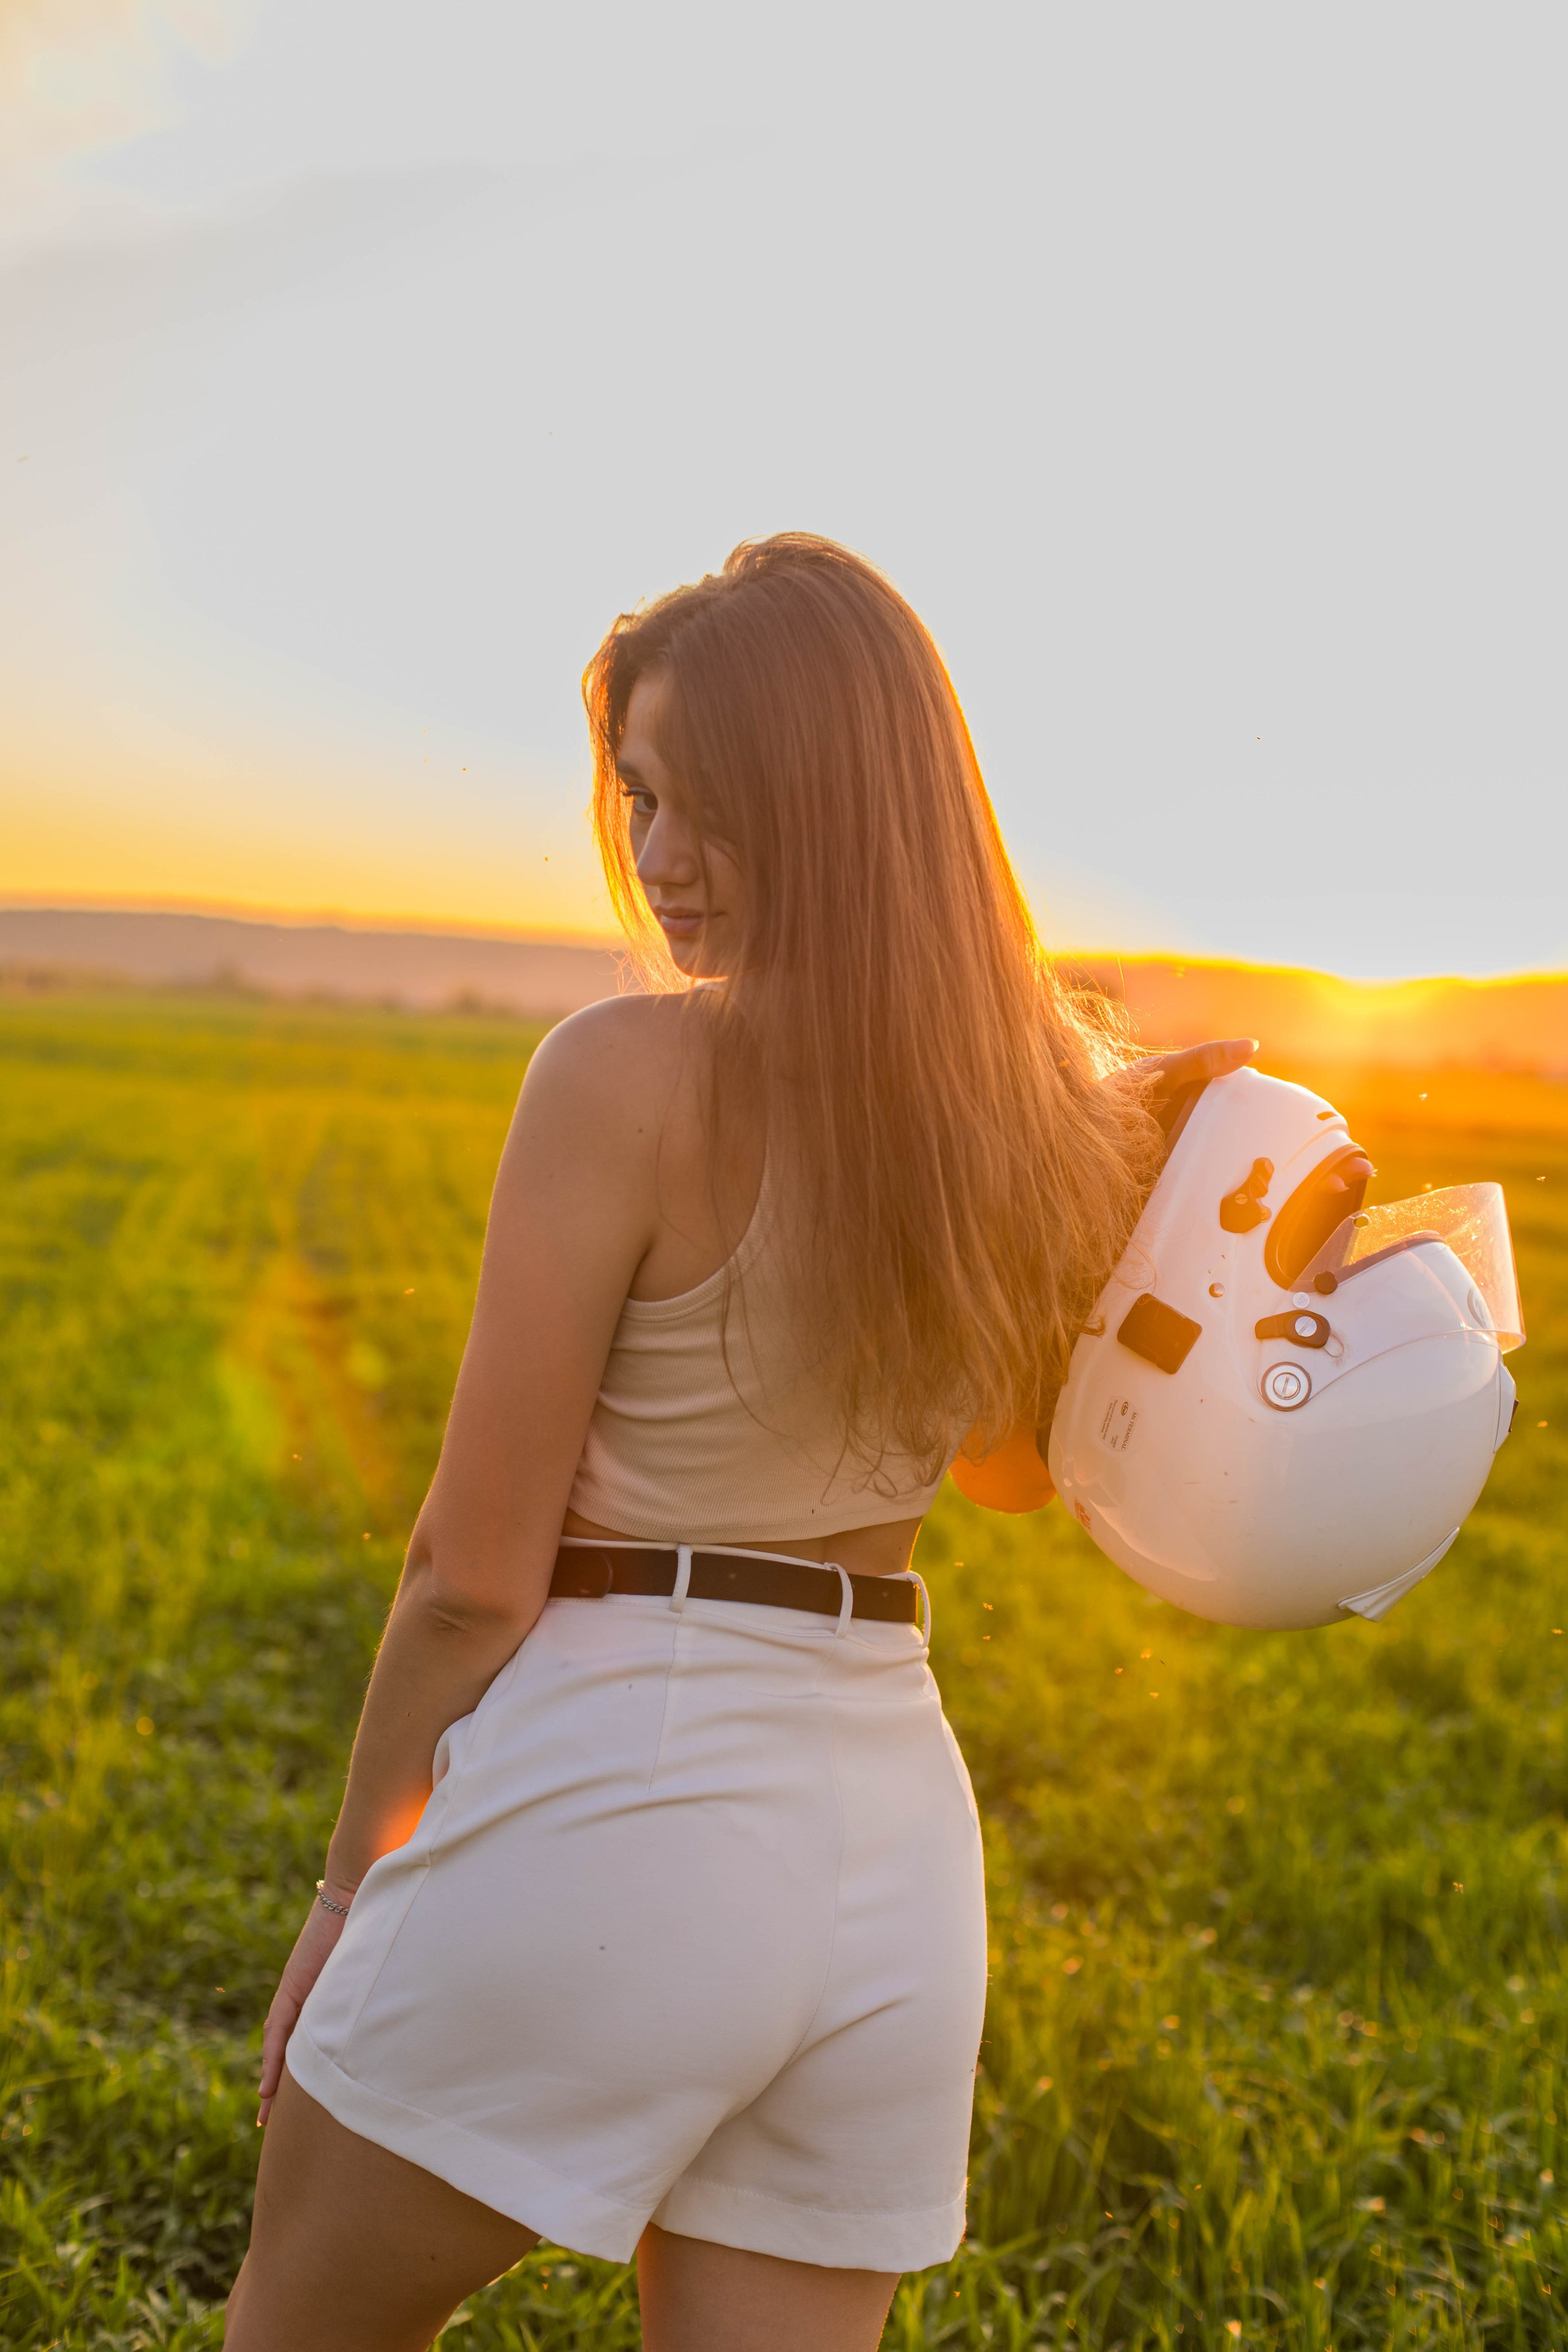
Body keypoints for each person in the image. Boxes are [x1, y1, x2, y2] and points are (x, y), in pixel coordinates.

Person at [224, 535, 1251, 2352]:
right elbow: (1009, 1473)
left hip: (628, 1790)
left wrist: (340, 1891)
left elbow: (470, 1576)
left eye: (717, 805)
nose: (663, 859)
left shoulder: (621, 1074)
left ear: (846, 810)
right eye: (639, 797)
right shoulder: (1014, 1114)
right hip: (896, 1862)